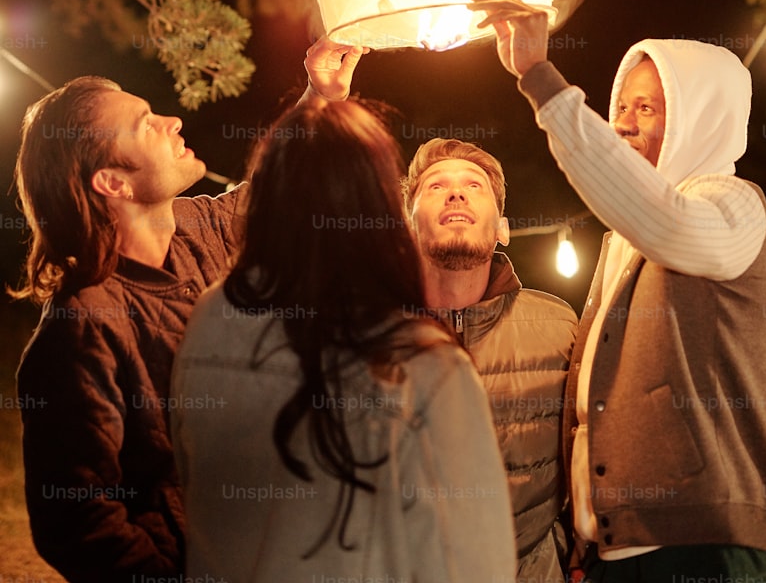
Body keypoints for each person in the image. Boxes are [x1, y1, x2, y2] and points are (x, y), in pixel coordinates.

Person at [476, 0, 766, 583]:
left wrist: (539, 78)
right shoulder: (625, 238)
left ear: (703, 117)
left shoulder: (735, 206)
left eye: (646, 107)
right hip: (611, 555)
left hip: (702, 550)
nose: (621, 122)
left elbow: (667, 221)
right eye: (620, 104)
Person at [12, 54, 345, 583]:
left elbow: (272, 189)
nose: (173, 123)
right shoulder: (84, 326)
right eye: (147, 125)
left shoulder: (198, 228)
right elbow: (76, 518)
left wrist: (318, 96)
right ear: (113, 184)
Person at [170, 96, 517, 583]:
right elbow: (474, 563)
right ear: (381, 208)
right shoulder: (421, 361)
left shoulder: (213, 316)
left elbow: (191, 477)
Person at [305, 36, 578, 583]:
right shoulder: (363, 330)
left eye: (474, 186)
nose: (456, 196)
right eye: (435, 187)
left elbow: (586, 462)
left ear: (502, 227)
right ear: (407, 225)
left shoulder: (560, 326)